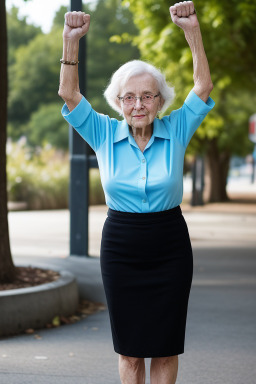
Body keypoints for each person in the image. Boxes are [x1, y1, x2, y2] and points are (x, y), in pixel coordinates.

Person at [59, 2, 214, 383]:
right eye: (129, 97)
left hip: (169, 244)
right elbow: (68, 92)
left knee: (164, 346)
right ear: (119, 103)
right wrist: (70, 41)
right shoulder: (103, 133)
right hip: (121, 246)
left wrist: (191, 31)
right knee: (129, 351)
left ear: (160, 101)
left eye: (147, 96)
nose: (138, 105)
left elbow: (203, 86)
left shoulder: (177, 128)